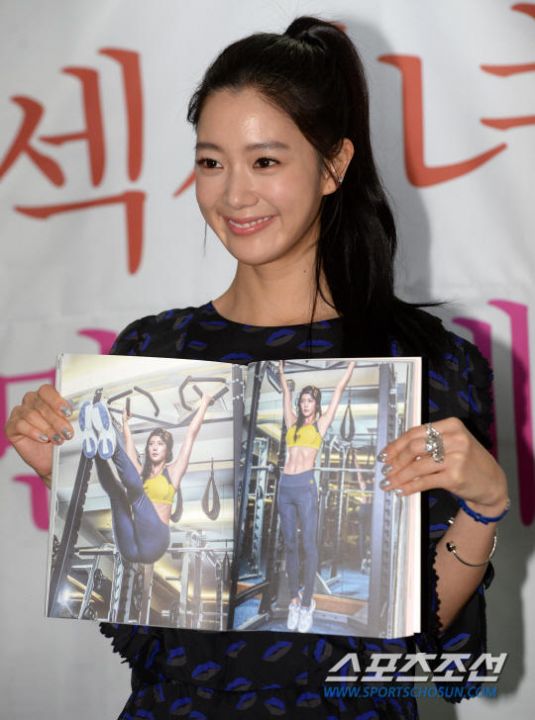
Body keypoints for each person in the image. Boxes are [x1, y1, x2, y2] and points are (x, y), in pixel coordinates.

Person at [5, 16, 509, 719]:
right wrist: (65, 471)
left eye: (265, 161)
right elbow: (151, 614)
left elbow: (417, 646)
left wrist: (484, 506)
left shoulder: (427, 363)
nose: (233, 194)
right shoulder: (150, 352)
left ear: (333, 165)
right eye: (211, 162)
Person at [81, 396, 211, 564]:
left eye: (160, 444)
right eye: (151, 444)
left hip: (154, 545)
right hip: (131, 545)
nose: (155, 447)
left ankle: (111, 446)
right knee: (118, 493)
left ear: (168, 450)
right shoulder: (140, 473)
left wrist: (205, 403)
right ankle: (95, 449)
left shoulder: (173, 471)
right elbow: (130, 449)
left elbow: (191, 435)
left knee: (136, 493)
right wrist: (125, 423)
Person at [278, 360, 355, 632]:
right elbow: (286, 395)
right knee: (290, 545)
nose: (304, 404)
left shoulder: (320, 425)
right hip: (285, 486)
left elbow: (338, 391)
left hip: (305, 487)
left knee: (309, 546)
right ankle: (294, 600)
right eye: (302, 401)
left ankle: (307, 602)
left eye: (309, 401)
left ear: (316, 404)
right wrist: (281, 372)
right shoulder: (292, 424)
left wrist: (350, 366)